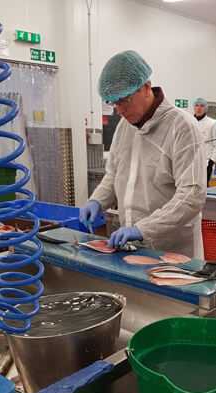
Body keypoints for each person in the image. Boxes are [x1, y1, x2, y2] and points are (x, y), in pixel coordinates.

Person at [80, 50, 206, 259]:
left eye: (124, 100)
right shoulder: (124, 126)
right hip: (130, 248)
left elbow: (191, 196)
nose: (119, 110)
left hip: (172, 252)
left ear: (146, 88)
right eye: (114, 103)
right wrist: (96, 201)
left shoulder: (181, 126)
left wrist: (142, 229)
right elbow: (113, 175)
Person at [193, 98, 216, 185]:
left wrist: (211, 163)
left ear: (206, 108)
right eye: (196, 105)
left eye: (202, 106)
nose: (199, 108)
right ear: (194, 108)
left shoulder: (212, 124)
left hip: (205, 164)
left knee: (202, 189)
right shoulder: (189, 121)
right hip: (190, 164)